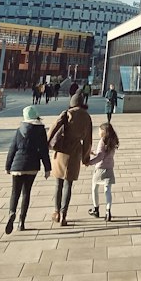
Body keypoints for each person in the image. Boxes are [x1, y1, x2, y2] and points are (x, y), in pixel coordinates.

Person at [48, 92, 93, 227]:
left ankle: (56, 212)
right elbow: (88, 140)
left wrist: (47, 144)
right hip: (75, 151)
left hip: (61, 151)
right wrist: (85, 158)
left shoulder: (67, 113)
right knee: (69, 184)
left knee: (58, 184)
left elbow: (52, 129)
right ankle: (64, 214)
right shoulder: (86, 117)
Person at [4, 104, 50, 234]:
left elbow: (12, 149)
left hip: (17, 166)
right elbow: (43, 151)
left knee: (15, 192)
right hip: (32, 166)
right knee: (26, 193)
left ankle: (11, 212)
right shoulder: (40, 131)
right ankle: (21, 222)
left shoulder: (19, 130)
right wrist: (47, 168)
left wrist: (8, 166)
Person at [87, 121, 119, 221]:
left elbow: (100, 156)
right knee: (107, 190)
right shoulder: (113, 140)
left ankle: (96, 209)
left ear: (104, 132)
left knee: (94, 188)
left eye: (100, 131)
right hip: (109, 168)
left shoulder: (102, 141)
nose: (98, 133)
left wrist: (90, 162)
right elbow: (104, 153)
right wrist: (94, 152)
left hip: (100, 169)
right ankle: (108, 211)